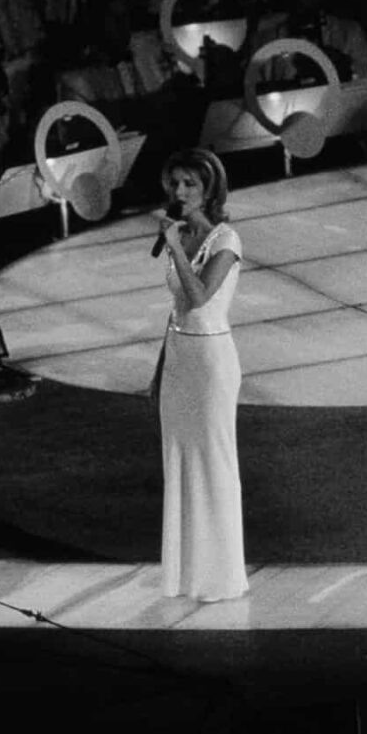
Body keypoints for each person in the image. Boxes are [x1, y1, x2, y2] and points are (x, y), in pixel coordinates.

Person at [152, 147, 247, 603]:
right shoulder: (183, 234)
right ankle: (186, 573)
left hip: (211, 364)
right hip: (178, 358)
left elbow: (199, 299)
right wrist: (159, 370)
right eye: (175, 184)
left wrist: (173, 244)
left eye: (190, 184)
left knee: (213, 462)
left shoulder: (226, 241)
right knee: (180, 462)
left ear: (210, 190)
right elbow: (175, 312)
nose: (180, 192)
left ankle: (221, 576)